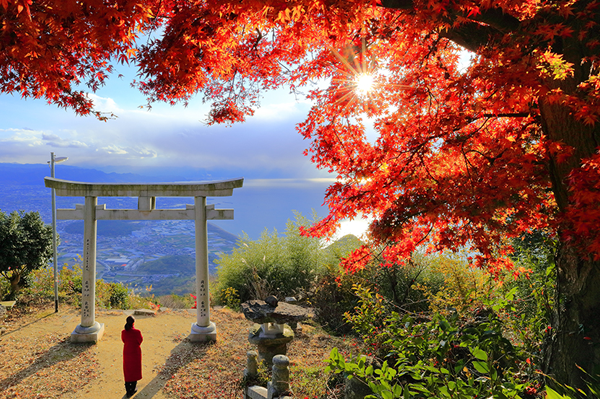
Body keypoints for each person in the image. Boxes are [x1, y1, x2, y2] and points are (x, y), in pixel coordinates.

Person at [122, 315, 143, 397]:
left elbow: (123, 340)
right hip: (135, 353)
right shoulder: (137, 332)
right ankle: (133, 389)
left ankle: (128, 391)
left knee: (127, 370)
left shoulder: (123, 332)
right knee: (135, 370)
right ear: (133, 323)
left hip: (127, 352)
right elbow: (140, 341)